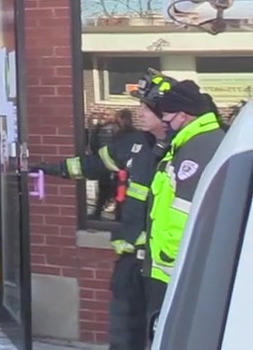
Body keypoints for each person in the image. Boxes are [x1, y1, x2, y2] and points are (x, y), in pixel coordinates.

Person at [36, 89, 166, 350]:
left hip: (164, 265)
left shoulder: (185, 148)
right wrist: (53, 169)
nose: (140, 112)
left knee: (163, 331)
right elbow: (95, 164)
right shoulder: (135, 142)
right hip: (131, 259)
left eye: (147, 108)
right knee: (123, 331)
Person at [140, 73, 226, 342]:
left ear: (185, 115)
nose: (165, 121)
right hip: (170, 267)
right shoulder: (188, 143)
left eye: (168, 116)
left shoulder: (198, 147)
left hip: (174, 270)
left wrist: (167, 257)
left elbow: (183, 210)